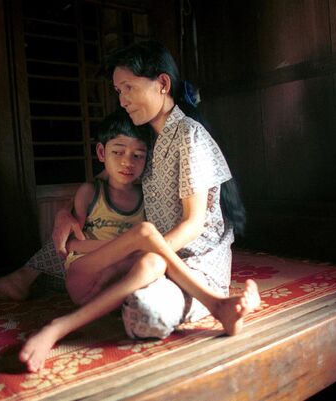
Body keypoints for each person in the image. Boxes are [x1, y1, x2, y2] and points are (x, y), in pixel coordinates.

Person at [0, 39, 257, 348]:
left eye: (129, 88)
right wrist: (67, 212)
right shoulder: (148, 136)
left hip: (195, 263)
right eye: (119, 91)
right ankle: (24, 279)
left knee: (147, 314)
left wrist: (140, 251)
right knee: (84, 240)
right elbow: (106, 177)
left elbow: (193, 224)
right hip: (156, 255)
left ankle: (222, 303)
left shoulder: (188, 135)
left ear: (162, 83)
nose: (122, 100)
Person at [18, 108, 260, 372]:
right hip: (85, 272)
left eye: (138, 155)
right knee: (145, 234)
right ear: (102, 153)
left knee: (154, 261)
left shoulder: (146, 193)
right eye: (118, 152)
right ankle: (215, 303)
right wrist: (126, 244)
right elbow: (71, 245)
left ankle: (219, 304)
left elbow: (145, 247)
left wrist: (132, 247)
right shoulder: (91, 192)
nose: (127, 162)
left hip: (117, 284)